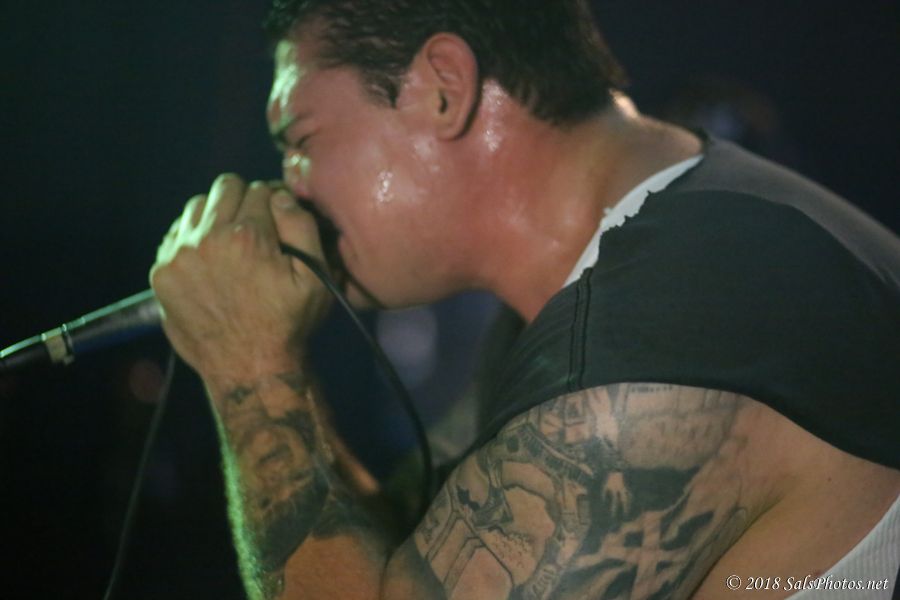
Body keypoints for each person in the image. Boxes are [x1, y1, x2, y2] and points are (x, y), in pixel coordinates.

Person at [149, 1, 900, 598]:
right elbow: (404, 554)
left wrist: (249, 365)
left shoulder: (672, 325)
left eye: (300, 138)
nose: (288, 187)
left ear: (443, 87)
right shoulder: (662, 251)